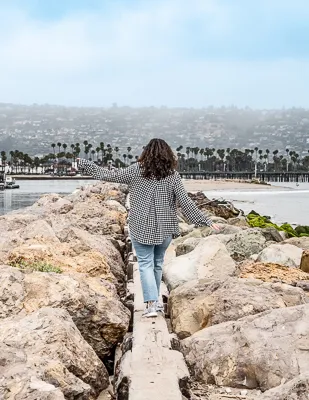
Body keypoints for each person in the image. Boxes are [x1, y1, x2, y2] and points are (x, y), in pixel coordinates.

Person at [78, 139, 219, 318]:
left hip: (140, 224)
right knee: (157, 263)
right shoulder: (172, 175)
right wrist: (205, 220)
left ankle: (151, 305)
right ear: (167, 154)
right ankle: (156, 303)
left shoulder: (136, 170)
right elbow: (185, 202)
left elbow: (109, 176)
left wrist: (83, 164)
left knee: (145, 264)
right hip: (165, 227)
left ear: (147, 153)